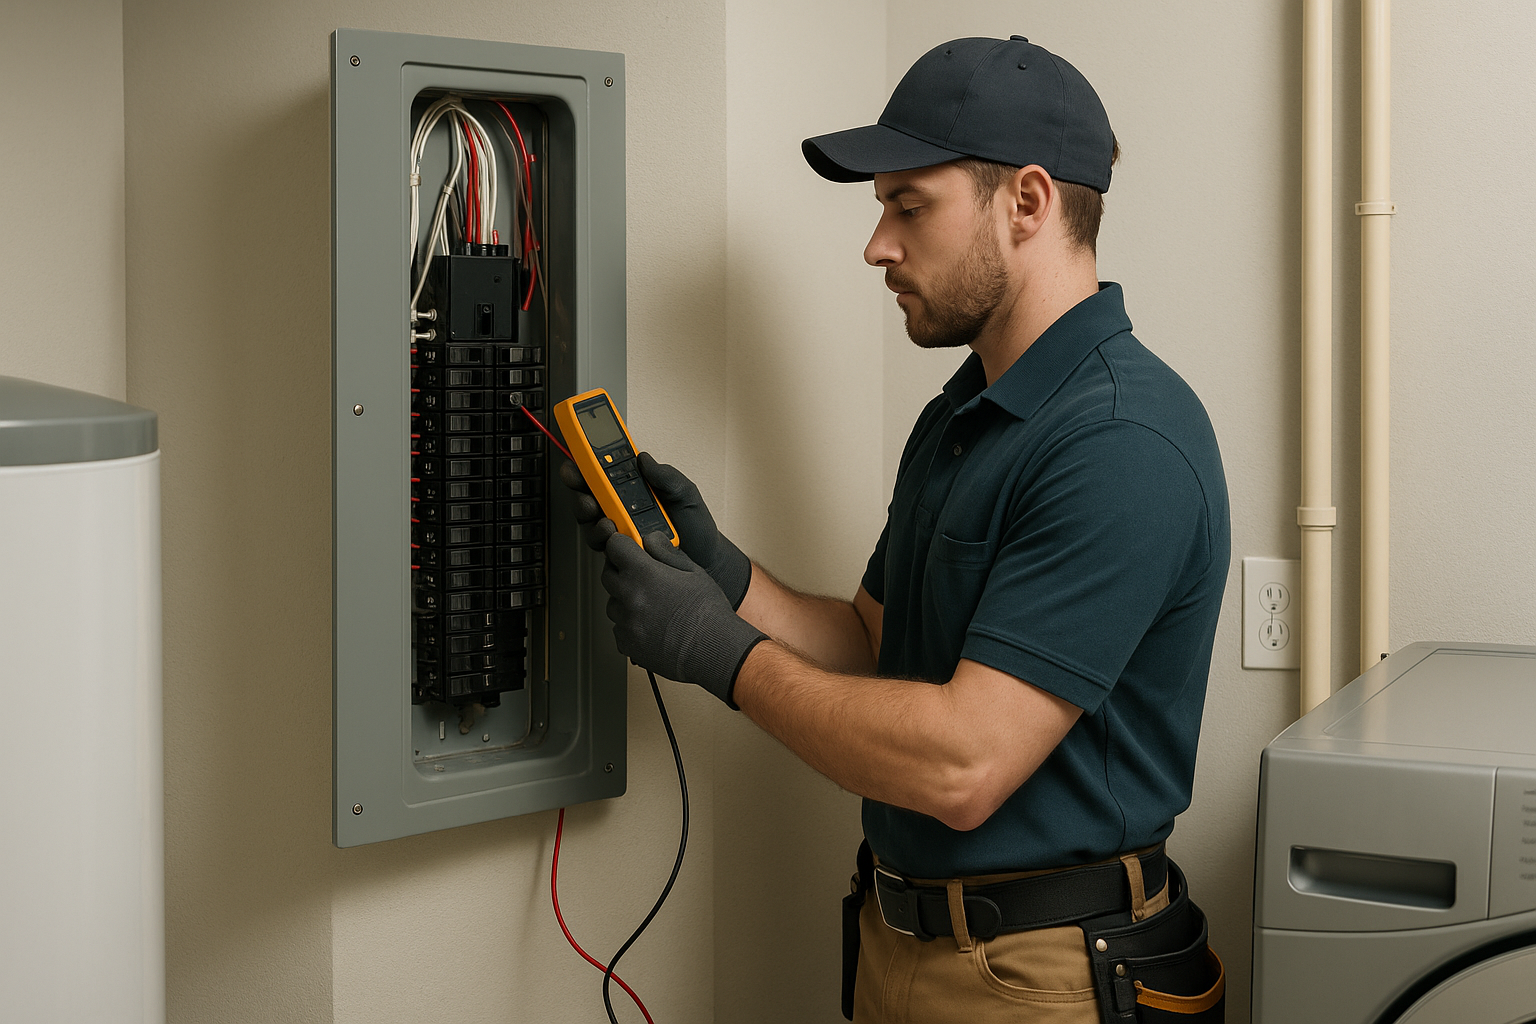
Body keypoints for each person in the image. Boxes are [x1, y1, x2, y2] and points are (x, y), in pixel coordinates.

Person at [565, 35, 1231, 1024]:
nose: (877, 244)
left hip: (1044, 977)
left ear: (1028, 202)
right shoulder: (964, 414)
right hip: (901, 940)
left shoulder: (1120, 440)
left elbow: (964, 764)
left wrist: (714, 647)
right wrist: (723, 573)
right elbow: (875, 644)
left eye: (908, 206)